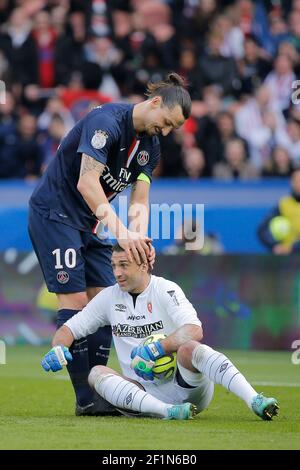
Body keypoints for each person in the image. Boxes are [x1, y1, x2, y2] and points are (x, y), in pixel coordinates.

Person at [29, 72, 191, 416]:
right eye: (166, 123)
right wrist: (121, 234)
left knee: (107, 300)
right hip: (55, 214)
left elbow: (140, 199)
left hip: (90, 223)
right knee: (74, 299)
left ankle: (97, 390)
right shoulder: (105, 122)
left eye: (172, 128)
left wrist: (139, 238)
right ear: (155, 102)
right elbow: (88, 182)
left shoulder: (151, 146)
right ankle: (87, 400)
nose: (166, 131)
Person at [41, 244, 279, 421]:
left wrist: (159, 347)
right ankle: (167, 413)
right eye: (113, 265)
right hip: (140, 394)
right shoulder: (109, 297)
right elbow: (69, 328)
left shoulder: (166, 290)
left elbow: (194, 329)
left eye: (124, 265)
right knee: (96, 373)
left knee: (190, 348)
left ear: (144, 265)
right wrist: (58, 347)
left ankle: (254, 399)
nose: (117, 273)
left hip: (185, 386)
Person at [257, 168, 300, 254]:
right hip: (287, 259)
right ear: (291, 182)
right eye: (297, 181)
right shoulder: (283, 204)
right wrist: (275, 245)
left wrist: (294, 248)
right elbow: (262, 229)